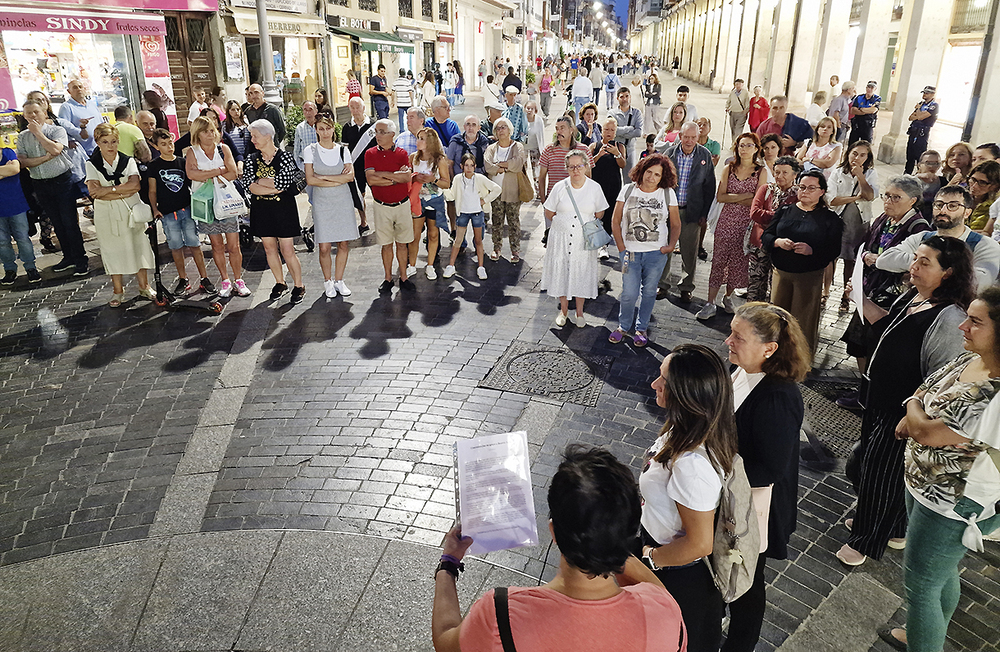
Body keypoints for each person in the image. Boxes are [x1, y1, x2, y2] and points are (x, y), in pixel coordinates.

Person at [432, 444, 686, 652]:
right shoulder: (664, 613)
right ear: (631, 527)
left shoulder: (501, 615)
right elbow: (657, 592)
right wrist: (610, 541)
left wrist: (449, 563)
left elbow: (446, 641)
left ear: (554, 531)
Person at [837, 235, 972, 569]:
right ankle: (895, 528)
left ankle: (866, 541)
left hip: (903, 411)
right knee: (874, 467)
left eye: (925, 263)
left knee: (877, 473)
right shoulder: (916, 296)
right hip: (881, 399)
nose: (914, 267)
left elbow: (941, 377)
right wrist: (861, 300)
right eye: (916, 259)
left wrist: (914, 416)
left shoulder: (950, 317)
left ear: (949, 272)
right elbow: (889, 327)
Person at [881, 285, 1000, 652]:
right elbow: (924, 387)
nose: (963, 326)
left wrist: (914, 412)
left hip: (953, 503)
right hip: (925, 485)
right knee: (940, 574)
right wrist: (916, 406)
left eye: (976, 321)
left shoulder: (994, 396)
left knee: (921, 587)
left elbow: (925, 429)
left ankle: (924, 637)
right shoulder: (972, 357)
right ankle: (928, 632)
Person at [720, 302, 809, 652]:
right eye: (731, 332)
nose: (728, 341)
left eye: (738, 337)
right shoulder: (741, 369)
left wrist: (716, 475)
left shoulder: (778, 396)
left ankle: (740, 644)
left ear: (769, 349)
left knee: (748, 582)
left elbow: (770, 468)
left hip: (755, 508)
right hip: (732, 494)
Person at [640, 343, 736, 652]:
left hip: (674, 574)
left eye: (663, 381)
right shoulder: (685, 429)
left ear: (687, 395)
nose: (655, 384)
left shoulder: (693, 466)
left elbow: (698, 543)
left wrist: (649, 559)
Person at [837, 176, 932, 409]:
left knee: (877, 344)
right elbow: (866, 245)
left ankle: (873, 395)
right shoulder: (884, 218)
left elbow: (911, 263)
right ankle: (865, 390)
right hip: (870, 287)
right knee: (859, 342)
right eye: (886, 195)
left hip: (891, 296)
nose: (888, 201)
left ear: (912, 201)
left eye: (896, 197)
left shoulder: (919, 229)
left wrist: (877, 260)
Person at [761, 170, 844, 356]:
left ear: (822, 191)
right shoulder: (785, 210)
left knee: (802, 321)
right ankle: (775, 355)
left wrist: (812, 250)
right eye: (802, 187)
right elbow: (767, 235)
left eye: (811, 188)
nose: (805, 191)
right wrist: (777, 242)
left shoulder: (830, 219)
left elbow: (833, 250)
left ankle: (799, 360)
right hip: (781, 273)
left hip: (808, 277)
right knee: (777, 318)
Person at [609, 153, 680, 346]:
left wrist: (670, 246)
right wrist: (621, 247)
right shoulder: (627, 190)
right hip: (629, 253)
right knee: (629, 293)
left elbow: (675, 224)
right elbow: (615, 221)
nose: (651, 177)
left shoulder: (667, 193)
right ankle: (623, 327)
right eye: (649, 172)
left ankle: (641, 328)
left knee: (649, 292)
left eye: (657, 174)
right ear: (642, 170)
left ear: (663, 177)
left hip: (656, 254)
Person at [878, 186, 1000, 292]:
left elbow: (980, 282)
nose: (943, 211)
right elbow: (884, 260)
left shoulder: (985, 245)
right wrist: (926, 264)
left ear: (967, 213)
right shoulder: (923, 237)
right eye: (939, 205)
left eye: (952, 206)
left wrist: (928, 265)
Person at [84, 123, 155, 306]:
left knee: (138, 246)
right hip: (106, 213)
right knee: (112, 250)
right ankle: (117, 291)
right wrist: (122, 190)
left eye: (114, 141)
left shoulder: (127, 160)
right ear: (98, 142)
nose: (110, 146)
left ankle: (144, 286)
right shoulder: (92, 164)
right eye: (105, 141)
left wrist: (109, 190)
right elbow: (93, 191)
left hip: (130, 210)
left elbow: (135, 186)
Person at [698, 133, 767, 320]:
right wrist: (746, 196)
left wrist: (735, 197)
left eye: (749, 145)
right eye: (741, 145)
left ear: (756, 148)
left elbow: (757, 201)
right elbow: (721, 196)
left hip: (746, 224)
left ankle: (728, 297)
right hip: (725, 221)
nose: (744, 149)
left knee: (738, 263)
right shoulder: (729, 168)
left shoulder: (761, 172)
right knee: (719, 260)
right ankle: (710, 302)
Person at [18, 99, 89, 277]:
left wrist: (39, 134)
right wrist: (44, 158)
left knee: (69, 222)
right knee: (57, 223)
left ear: (44, 112)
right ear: (24, 116)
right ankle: (68, 257)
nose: (33, 116)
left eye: (36, 112)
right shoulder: (22, 136)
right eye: (28, 113)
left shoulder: (56, 130)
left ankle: (80, 259)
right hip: (40, 183)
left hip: (62, 181)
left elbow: (56, 150)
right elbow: (23, 162)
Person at [243, 119, 307, 304]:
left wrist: (261, 182)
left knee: (287, 250)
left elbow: (282, 185)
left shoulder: (285, 157)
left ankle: (299, 285)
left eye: (255, 135)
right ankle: (280, 282)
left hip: (283, 210)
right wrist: (270, 185)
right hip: (262, 210)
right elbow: (250, 186)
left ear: (268, 136)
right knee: (269, 248)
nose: (252, 139)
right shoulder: (251, 159)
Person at [542, 150, 608, 327]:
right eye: (571, 167)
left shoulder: (595, 187)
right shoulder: (559, 186)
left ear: (586, 166)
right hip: (561, 237)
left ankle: (580, 313)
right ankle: (563, 311)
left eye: (579, 166)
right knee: (562, 270)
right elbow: (549, 211)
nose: (576, 170)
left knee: (582, 272)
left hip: (583, 239)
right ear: (567, 169)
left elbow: (600, 212)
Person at [184, 115, 244, 298]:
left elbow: (233, 173)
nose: (212, 134)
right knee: (216, 245)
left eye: (213, 130)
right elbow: (192, 174)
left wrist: (207, 175)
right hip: (206, 203)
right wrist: (219, 171)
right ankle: (225, 280)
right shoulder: (192, 152)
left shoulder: (223, 148)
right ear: (198, 134)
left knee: (234, 245)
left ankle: (238, 279)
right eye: (206, 131)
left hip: (226, 201)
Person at [146, 128, 210, 296]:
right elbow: (152, 190)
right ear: (156, 146)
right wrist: (155, 208)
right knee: (176, 246)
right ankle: (183, 278)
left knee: (194, 243)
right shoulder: (154, 166)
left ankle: (204, 278)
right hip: (168, 212)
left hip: (187, 208)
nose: (169, 147)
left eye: (170, 143)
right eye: (163, 144)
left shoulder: (182, 162)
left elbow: (192, 183)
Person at [657, 122, 716, 303]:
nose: (689, 141)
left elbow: (709, 187)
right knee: (665, 249)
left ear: (698, 137)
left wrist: (704, 213)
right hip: (669, 212)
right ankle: (663, 284)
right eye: (686, 137)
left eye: (693, 137)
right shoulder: (669, 154)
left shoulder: (704, 155)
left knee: (689, 252)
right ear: (680, 136)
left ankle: (686, 286)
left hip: (692, 212)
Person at [305, 115, 356, 299]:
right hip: (322, 202)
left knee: (343, 243)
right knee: (324, 246)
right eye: (321, 128)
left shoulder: (343, 150)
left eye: (328, 128)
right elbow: (310, 179)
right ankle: (328, 282)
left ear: (333, 129)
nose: (325, 132)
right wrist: (337, 180)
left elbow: (350, 177)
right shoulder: (310, 150)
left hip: (342, 200)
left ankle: (339, 280)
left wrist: (324, 178)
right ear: (316, 130)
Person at [826, 140, 879, 311]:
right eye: (855, 153)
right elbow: (831, 200)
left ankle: (846, 296)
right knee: (830, 258)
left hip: (858, 223)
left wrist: (861, 177)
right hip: (837, 220)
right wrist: (855, 198)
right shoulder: (838, 172)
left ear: (868, 157)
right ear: (848, 153)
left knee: (851, 260)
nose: (857, 157)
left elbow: (870, 195)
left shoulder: (871, 173)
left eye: (862, 155)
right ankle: (825, 292)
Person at [365, 118, 415, 294]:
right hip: (381, 206)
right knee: (386, 245)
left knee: (402, 244)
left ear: (392, 135)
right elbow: (371, 180)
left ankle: (403, 277)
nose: (377, 135)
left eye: (382, 132)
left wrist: (383, 176)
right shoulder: (370, 154)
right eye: (376, 132)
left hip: (402, 205)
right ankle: (387, 278)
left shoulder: (402, 154)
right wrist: (394, 177)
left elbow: (406, 178)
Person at [443, 153, 501, 280]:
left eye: (471, 165)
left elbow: (497, 189)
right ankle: (451, 266)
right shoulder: (458, 179)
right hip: (463, 213)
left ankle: (481, 267)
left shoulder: (480, 178)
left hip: (476, 213)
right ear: (462, 166)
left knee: (478, 240)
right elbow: (452, 195)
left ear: (475, 166)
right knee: (458, 240)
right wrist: (442, 188)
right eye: (466, 165)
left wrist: (485, 200)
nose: (469, 168)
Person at [538, 116, 594, 245]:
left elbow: (589, 178)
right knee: (554, 243)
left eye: (562, 128)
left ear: (571, 130)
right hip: (554, 203)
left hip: (577, 203)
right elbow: (541, 178)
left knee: (575, 242)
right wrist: (543, 200)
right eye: (557, 129)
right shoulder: (548, 150)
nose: (559, 131)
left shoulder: (583, 150)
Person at [410, 128, 452, 279]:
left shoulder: (439, 159)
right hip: (417, 201)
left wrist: (433, 180)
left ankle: (430, 265)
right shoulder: (413, 158)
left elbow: (447, 183)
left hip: (435, 200)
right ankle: (412, 264)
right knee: (415, 235)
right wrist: (414, 178)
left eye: (422, 138)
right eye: (418, 137)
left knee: (433, 234)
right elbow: (408, 178)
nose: (418, 141)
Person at [484, 118, 527, 262]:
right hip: (495, 192)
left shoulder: (518, 146)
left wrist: (501, 165)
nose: (501, 130)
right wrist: (506, 167)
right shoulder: (491, 148)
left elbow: (518, 163)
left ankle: (515, 250)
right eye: (498, 128)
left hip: (513, 191)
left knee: (513, 221)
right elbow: (488, 166)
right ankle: (497, 248)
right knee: (496, 221)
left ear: (510, 130)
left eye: (504, 127)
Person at [0, 146, 39, 286]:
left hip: (17, 205)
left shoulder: (7, 152)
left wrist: (9, 170)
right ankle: (9, 269)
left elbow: (15, 169)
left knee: (23, 238)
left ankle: (31, 267)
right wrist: (5, 171)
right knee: (2, 242)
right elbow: (10, 170)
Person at [342, 97, 376, 235]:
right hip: (356, 168)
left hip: (373, 168)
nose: (355, 111)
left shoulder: (373, 125)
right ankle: (364, 222)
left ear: (364, 108)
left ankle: (381, 222)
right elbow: (345, 149)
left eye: (358, 107)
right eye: (352, 107)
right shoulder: (346, 127)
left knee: (378, 195)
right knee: (359, 196)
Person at [58, 79, 101, 155]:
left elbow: (101, 122)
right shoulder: (66, 107)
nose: (79, 89)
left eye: (80, 87)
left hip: (100, 148)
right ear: (69, 91)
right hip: (84, 152)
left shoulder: (92, 104)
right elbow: (63, 127)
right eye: (75, 87)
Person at [611, 87, 644, 183]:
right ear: (617, 98)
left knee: (629, 178)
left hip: (630, 149)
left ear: (630, 97)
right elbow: (613, 132)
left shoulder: (636, 113)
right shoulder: (612, 113)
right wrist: (629, 128)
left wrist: (620, 132)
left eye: (627, 96)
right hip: (615, 149)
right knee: (613, 178)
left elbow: (638, 132)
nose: (624, 99)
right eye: (622, 97)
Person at [242, 84, 285, 156]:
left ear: (262, 93)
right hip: (256, 150)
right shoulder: (248, 111)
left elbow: (282, 130)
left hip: (271, 150)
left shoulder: (272, 109)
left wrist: (273, 141)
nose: (254, 96)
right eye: (251, 93)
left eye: (256, 92)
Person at [905, 86, 939, 174]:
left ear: (932, 94)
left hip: (922, 133)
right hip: (913, 131)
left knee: (919, 156)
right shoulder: (921, 103)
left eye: (927, 93)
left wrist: (919, 110)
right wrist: (919, 114)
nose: (924, 95)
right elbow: (911, 117)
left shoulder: (934, 106)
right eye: (924, 93)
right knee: (910, 155)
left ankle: (920, 173)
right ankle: (907, 173)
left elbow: (920, 117)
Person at [964, 160, 1000, 235]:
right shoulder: (961, 197)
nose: (974, 186)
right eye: (973, 180)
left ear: (995, 186)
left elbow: (990, 234)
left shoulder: (996, 205)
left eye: (982, 182)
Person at [849, 81, 881, 147]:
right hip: (857, 124)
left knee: (866, 145)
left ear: (875, 89)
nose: (869, 89)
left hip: (868, 124)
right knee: (852, 144)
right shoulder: (859, 97)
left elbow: (874, 110)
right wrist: (866, 111)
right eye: (868, 87)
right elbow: (853, 110)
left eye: (872, 88)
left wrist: (861, 109)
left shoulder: (876, 98)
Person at [293, 101, 319, 172]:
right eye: (305, 110)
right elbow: (296, 151)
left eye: (310, 110)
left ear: (316, 111)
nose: (308, 113)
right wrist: (302, 167)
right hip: (306, 166)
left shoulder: (321, 126)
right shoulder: (300, 128)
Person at [223, 100, 250, 165]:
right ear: (228, 111)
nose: (236, 112)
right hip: (233, 156)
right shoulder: (225, 125)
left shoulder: (246, 122)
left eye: (238, 109)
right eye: (233, 110)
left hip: (247, 155)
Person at [525, 100, 545, 177]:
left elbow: (541, 136)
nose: (529, 110)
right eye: (528, 108)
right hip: (524, 148)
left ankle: (537, 187)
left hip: (535, 148)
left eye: (531, 109)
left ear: (535, 110)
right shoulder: (522, 120)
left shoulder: (539, 120)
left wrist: (542, 150)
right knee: (523, 170)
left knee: (536, 171)